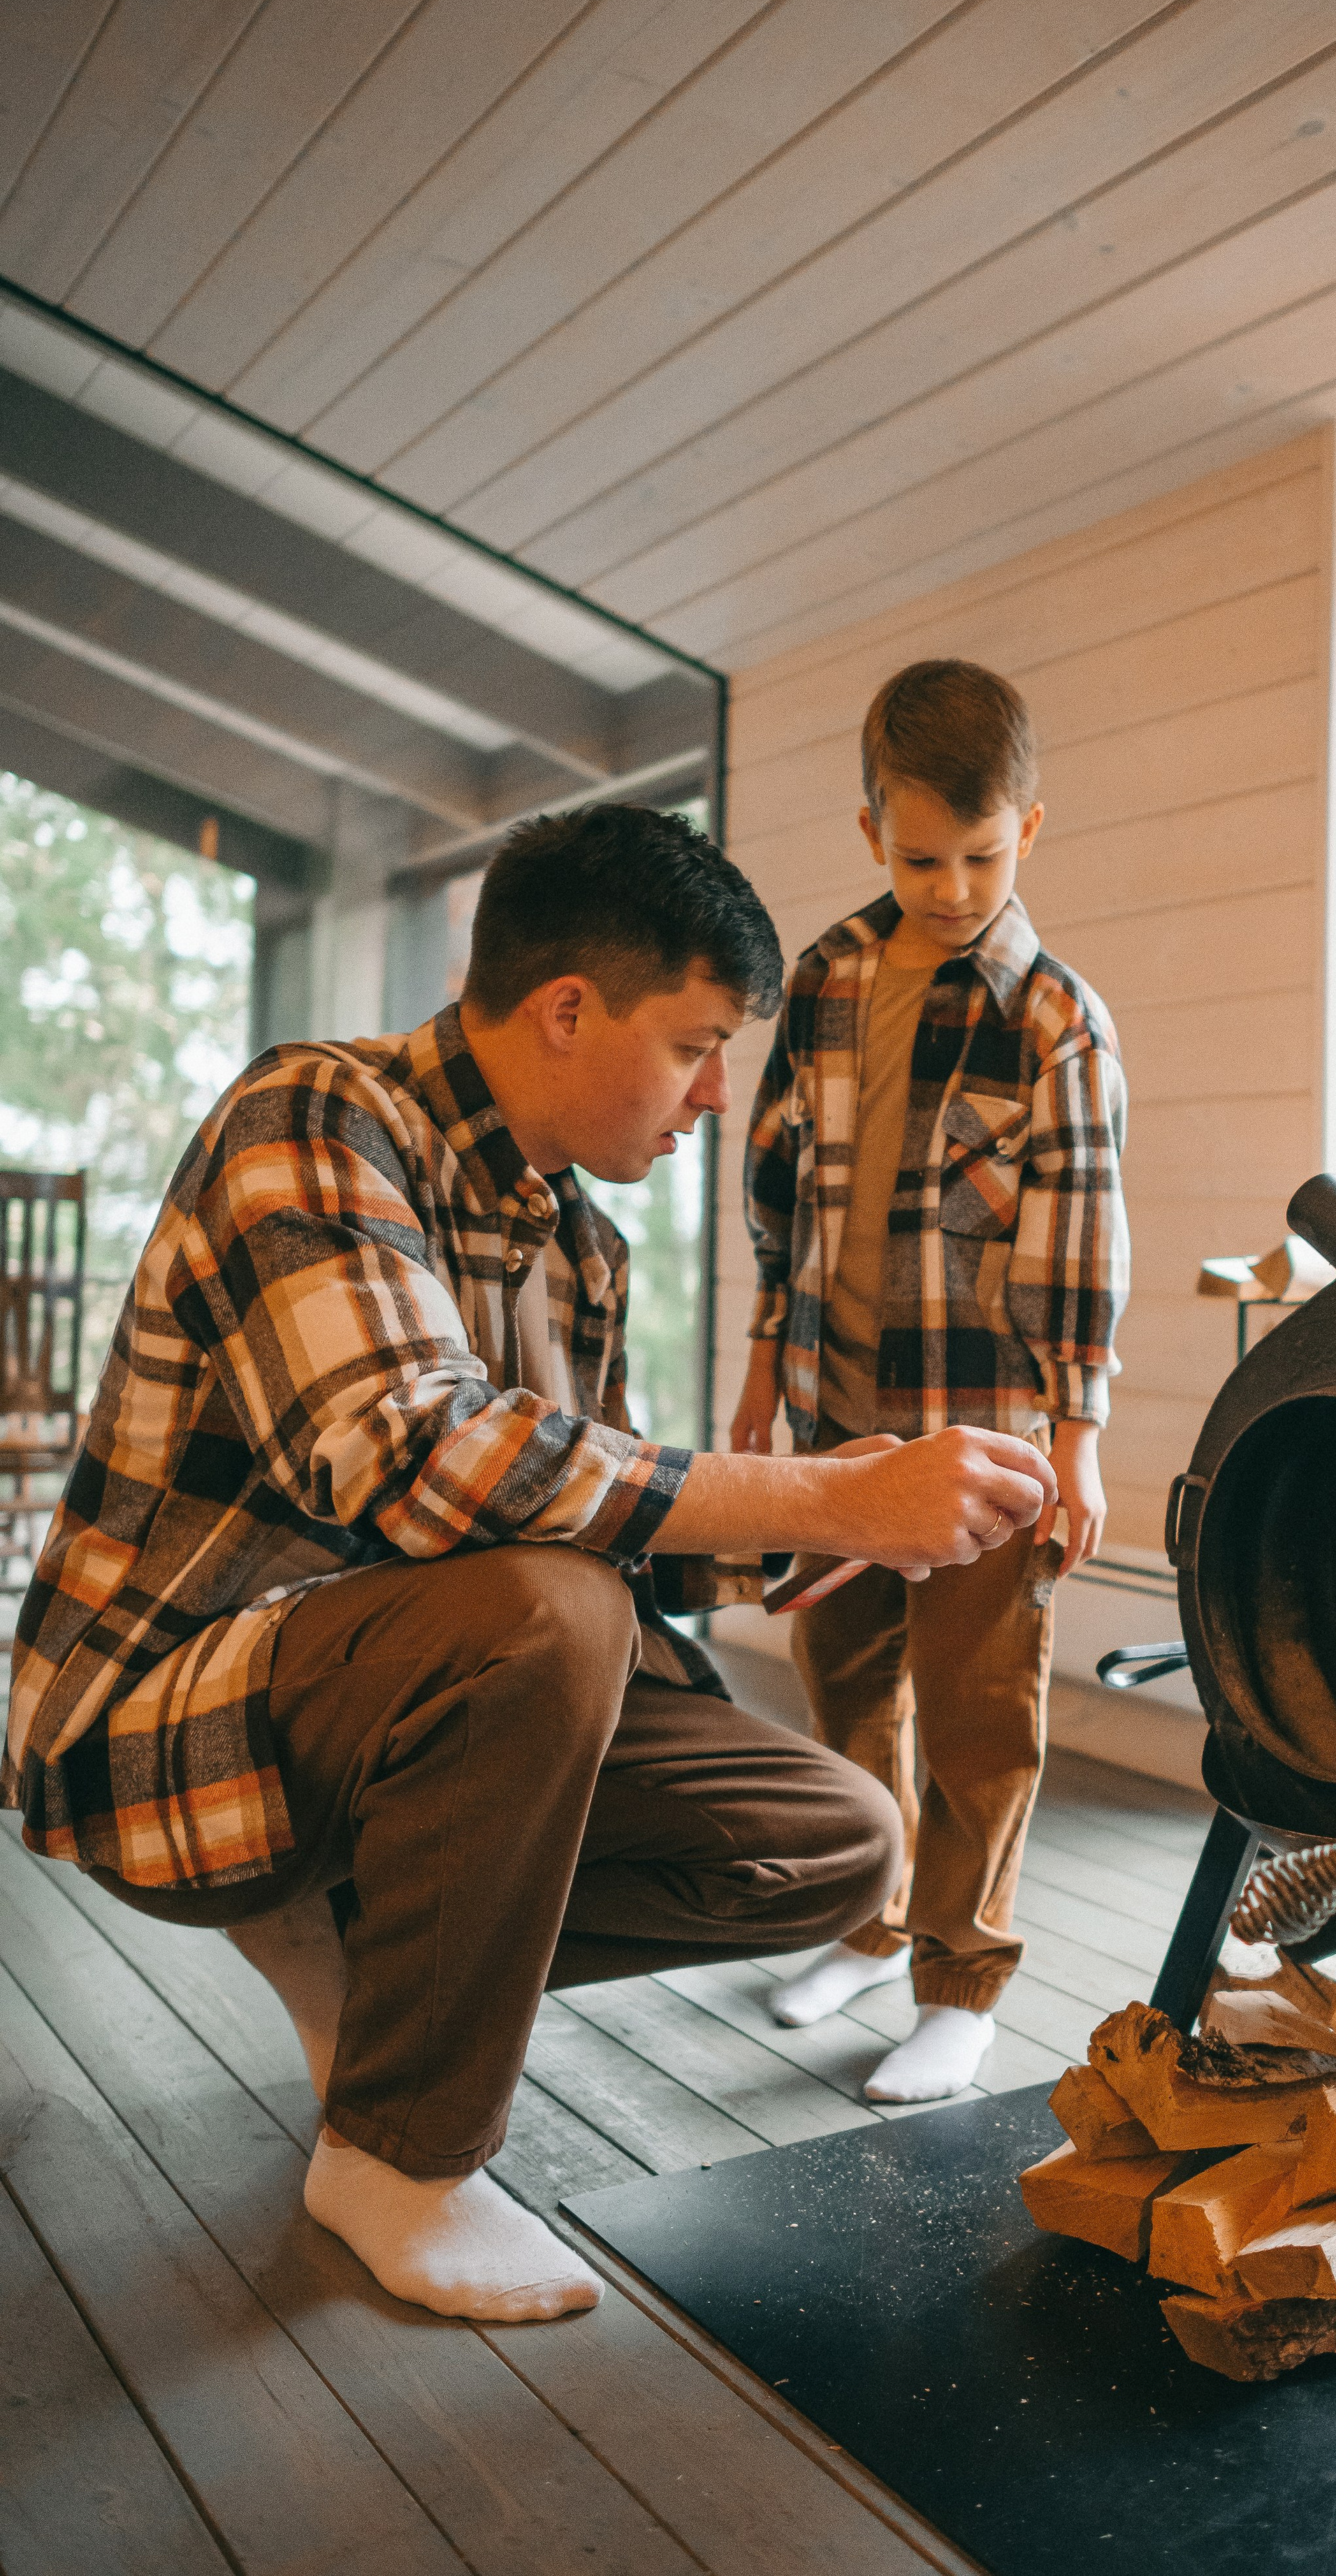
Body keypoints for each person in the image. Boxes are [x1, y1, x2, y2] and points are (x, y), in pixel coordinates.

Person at [5, 803, 1057, 2324]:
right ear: (567, 1009)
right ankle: (397, 2159)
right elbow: (418, 1458)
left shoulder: (580, 1248)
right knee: (540, 1613)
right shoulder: (314, 1116)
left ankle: (373, 1947)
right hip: (162, 1723)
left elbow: (591, 1518)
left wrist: (848, 1521)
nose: (714, 1096)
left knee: (835, 1841)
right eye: (695, 1046)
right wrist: (830, 1497)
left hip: (397, 1696)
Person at [733, 660, 1128, 2102]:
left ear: (1030, 828)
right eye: (918, 859)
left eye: (981, 855)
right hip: (834, 1417)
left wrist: (1077, 1440)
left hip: (990, 1435)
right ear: (870, 834)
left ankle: (961, 1981)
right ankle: (870, 1918)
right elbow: (776, 1191)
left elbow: (1081, 1237)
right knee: (846, 1687)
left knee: (977, 1714)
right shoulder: (826, 979)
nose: (952, 888)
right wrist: (760, 1375)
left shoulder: (1058, 1023)